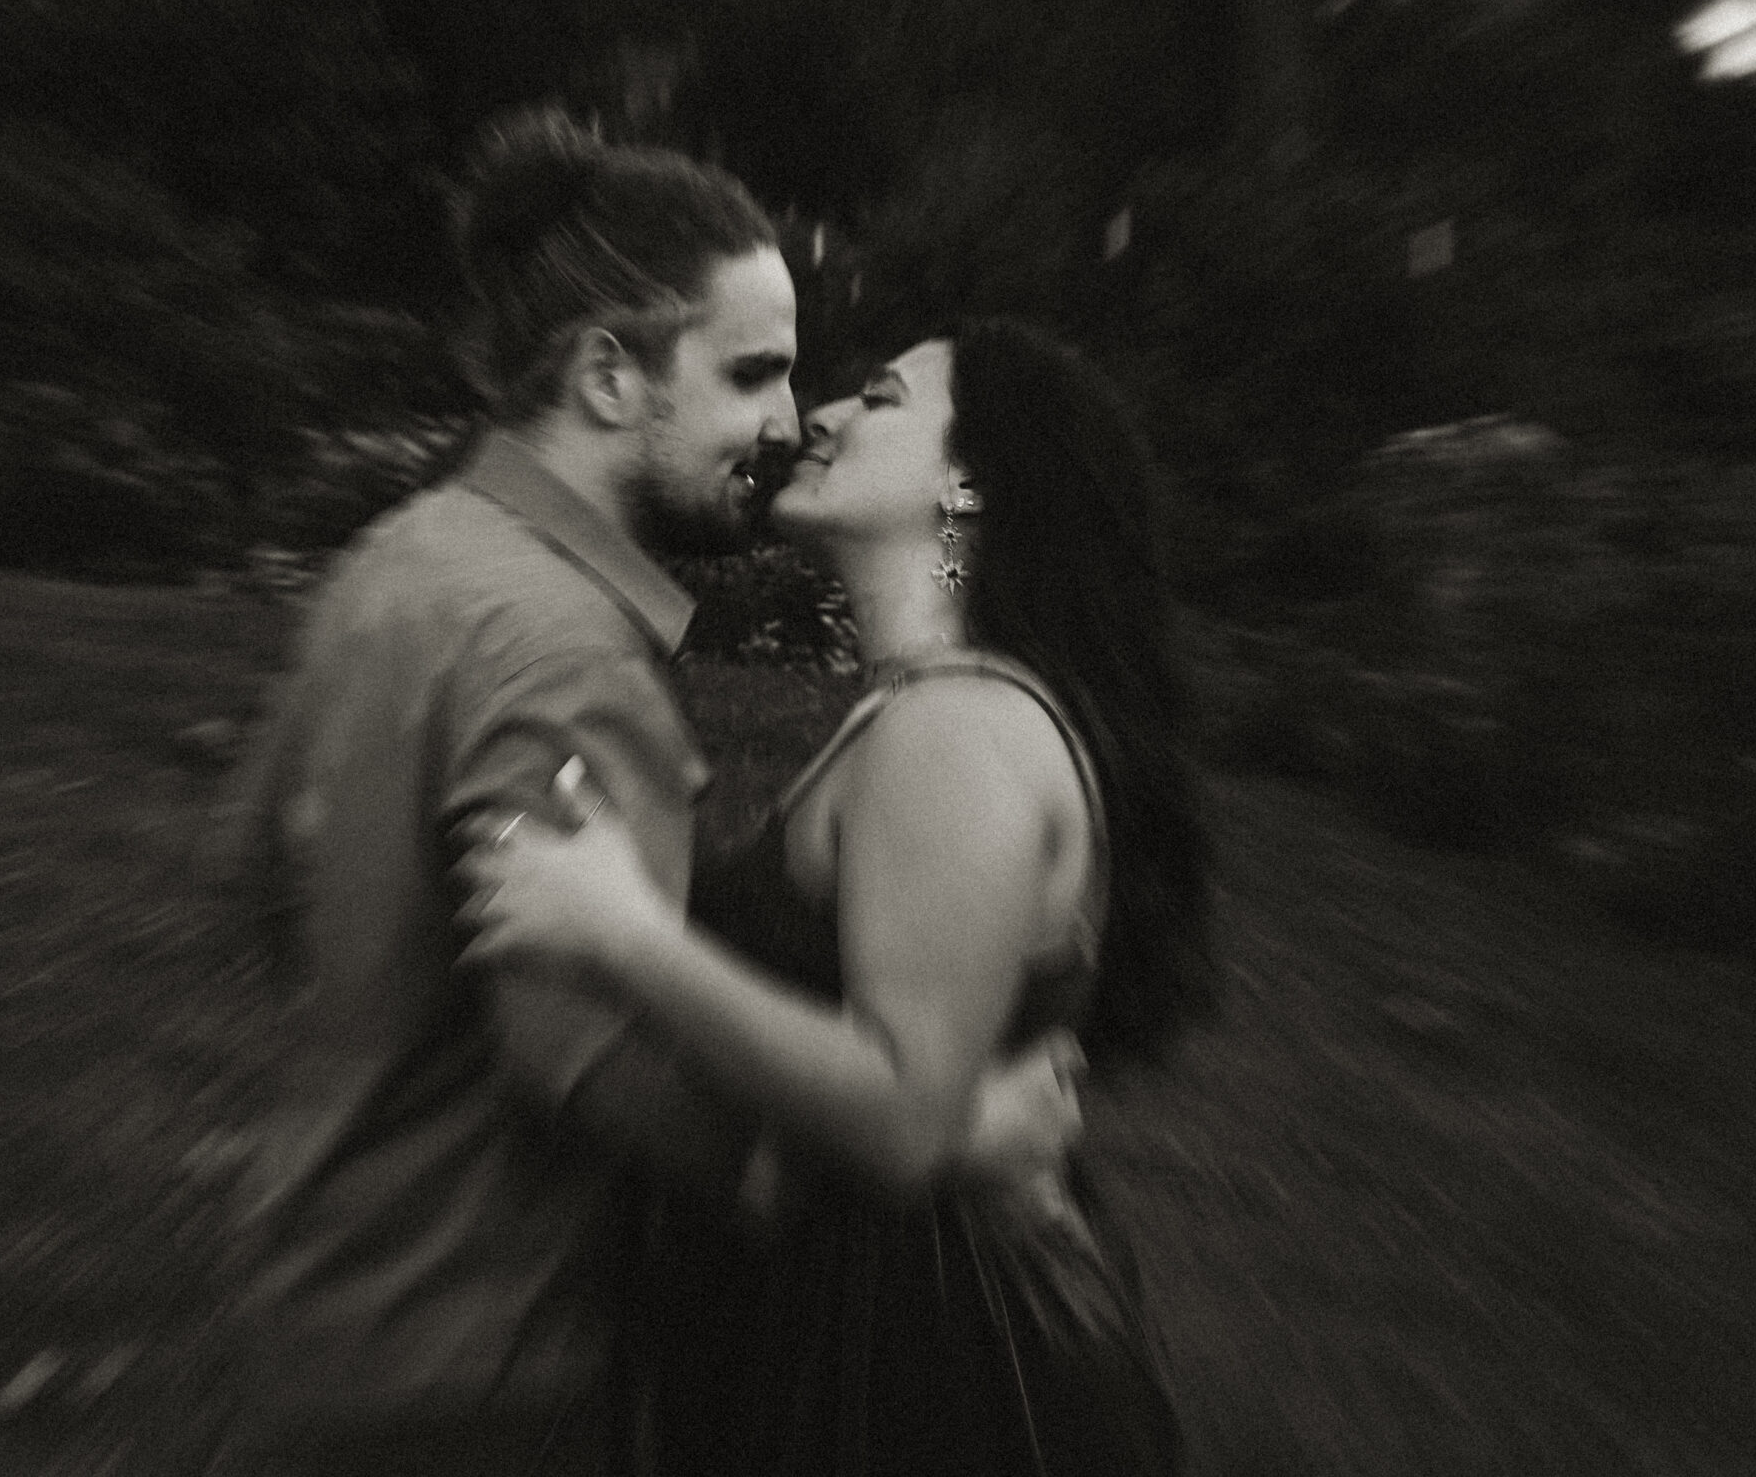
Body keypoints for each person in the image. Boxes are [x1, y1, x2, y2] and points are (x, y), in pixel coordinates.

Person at [212, 117, 1083, 1477]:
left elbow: (254, 877)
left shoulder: (401, 556)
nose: (790, 422)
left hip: (309, 1299)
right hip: (486, 1356)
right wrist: (942, 1139)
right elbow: (585, 1058)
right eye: (752, 375)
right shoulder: (565, 649)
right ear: (611, 379)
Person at [458, 318, 1218, 1476]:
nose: (820, 416)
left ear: (962, 487)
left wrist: (620, 928)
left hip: (935, 1379)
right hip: (857, 1333)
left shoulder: (956, 727)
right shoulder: (918, 711)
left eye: (881, 399)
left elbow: (899, 1119)